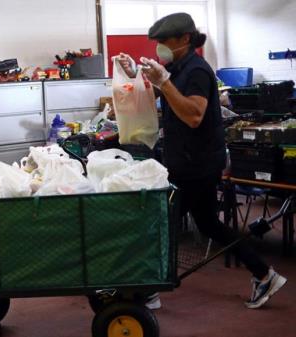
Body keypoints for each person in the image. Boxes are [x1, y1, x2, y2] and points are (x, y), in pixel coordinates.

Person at [118, 12, 286, 309]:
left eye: (164, 41)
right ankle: (264, 273)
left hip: (196, 164)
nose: (159, 48)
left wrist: (165, 82)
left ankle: (149, 289)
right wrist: (136, 74)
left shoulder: (197, 71)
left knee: (164, 224)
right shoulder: (178, 66)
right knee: (208, 223)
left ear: (184, 39)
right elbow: (165, 94)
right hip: (186, 160)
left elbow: (194, 115)